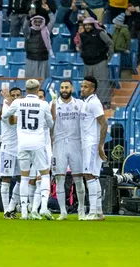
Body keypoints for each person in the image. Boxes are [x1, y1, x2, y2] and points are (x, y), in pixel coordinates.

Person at [1, 79, 54, 220]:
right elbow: (50, 124)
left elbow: (4, 116)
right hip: (38, 143)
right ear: (38, 89)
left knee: (24, 177)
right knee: (44, 175)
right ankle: (43, 207)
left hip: (22, 144)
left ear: (26, 90)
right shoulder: (43, 104)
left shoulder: (18, 103)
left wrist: (15, 119)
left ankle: (24, 211)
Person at [51, 81, 86, 220]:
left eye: (66, 87)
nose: (64, 90)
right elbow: (49, 124)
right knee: (59, 178)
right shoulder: (53, 103)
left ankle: (81, 210)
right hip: (59, 145)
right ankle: (63, 212)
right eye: (62, 87)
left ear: (72, 89)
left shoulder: (80, 104)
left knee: (78, 178)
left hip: (76, 143)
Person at [80, 76, 108, 220]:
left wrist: (100, 145)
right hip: (88, 143)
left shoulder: (94, 103)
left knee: (89, 175)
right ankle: (99, 212)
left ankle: (92, 212)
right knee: (93, 176)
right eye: (82, 86)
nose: (82, 89)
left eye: (86, 87)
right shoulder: (87, 102)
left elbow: (104, 123)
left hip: (91, 143)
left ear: (93, 89)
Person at [0, 87, 23, 219]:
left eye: (18, 95)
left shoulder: (23, 106)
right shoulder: (7, 105)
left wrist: (7, 100)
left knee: (21, 179)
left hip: (21, 148)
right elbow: (3, 119)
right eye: (13, 95)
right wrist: (5, 102)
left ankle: (11, 207)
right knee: (6, 178)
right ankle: (6, 211)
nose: (16, 97)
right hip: (8, 148)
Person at [27, 89, 54, 220]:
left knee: (38, 179)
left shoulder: (44, 108)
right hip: (38, 147)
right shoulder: (42, 109)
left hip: (42, 147)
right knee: (37, 179)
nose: (40, 99)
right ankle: (39, 208)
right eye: (38, 97)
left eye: (42, 97)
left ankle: (34, 209)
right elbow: (52, 123)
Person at [24, 10, 55, 79]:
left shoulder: (46, 30)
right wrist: (28, 17)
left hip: (43, 59)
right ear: (33, 22)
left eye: (39, 22)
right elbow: (24, 27)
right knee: (31, 80)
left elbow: (52, 21)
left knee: (42, 80)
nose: (38, 23)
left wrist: (49, 11)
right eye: (36, 22)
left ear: (43, 22)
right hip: (31, 59)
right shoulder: (29, 31)